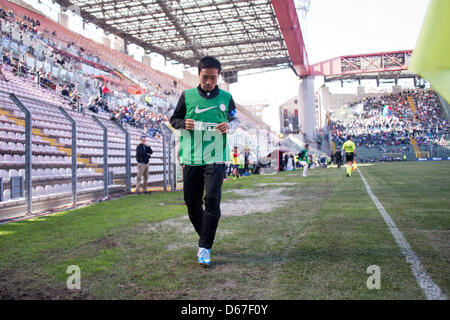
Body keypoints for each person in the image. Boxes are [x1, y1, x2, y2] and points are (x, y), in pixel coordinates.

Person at [169, 56, 240, 267]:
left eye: (213, 78)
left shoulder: (227, 97)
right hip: (191, 157)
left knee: (211, 199)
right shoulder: (187, 96)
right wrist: (183, 123)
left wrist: (230, 126)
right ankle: (206, 236)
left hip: (216, 157)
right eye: (205, 77)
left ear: (218, 77)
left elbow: (235, 119)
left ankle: (204, 247)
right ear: (199, 74)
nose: (209, 81)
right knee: (192, 202)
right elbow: (174, 120)